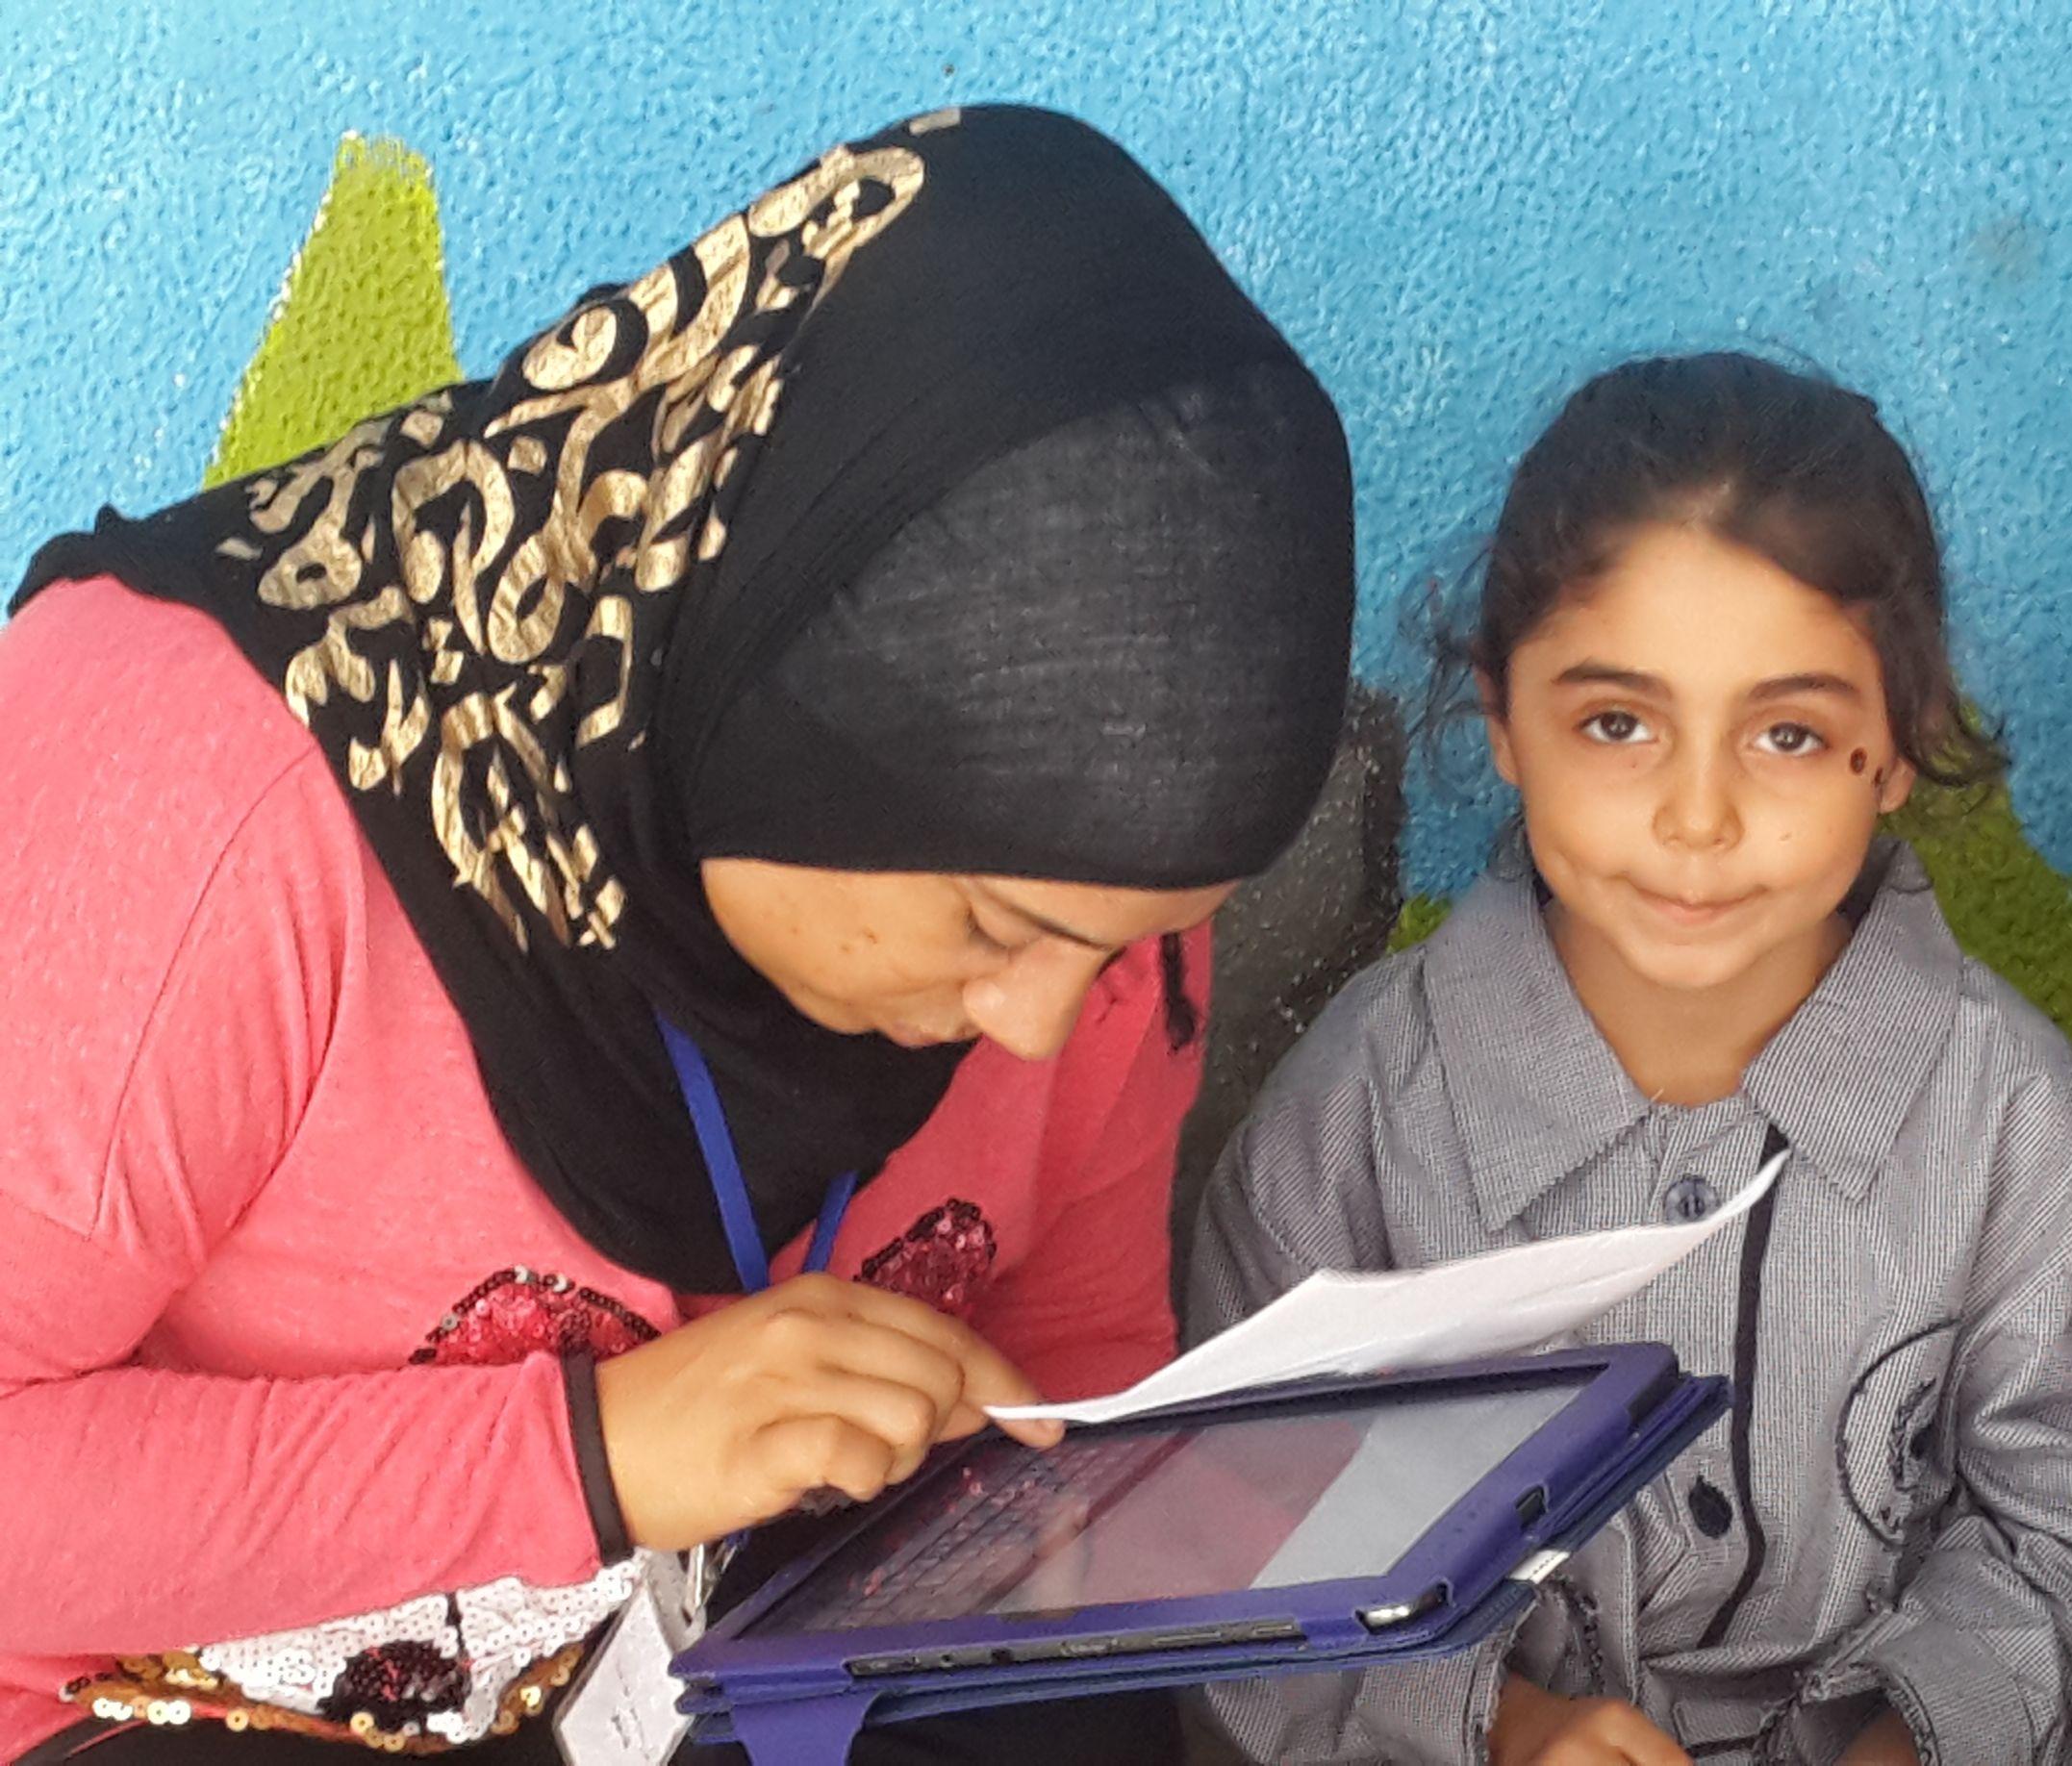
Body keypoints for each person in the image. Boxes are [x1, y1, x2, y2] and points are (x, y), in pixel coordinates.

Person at [0, 106, 1354, 1763]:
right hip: (195, 1706)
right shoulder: (198, 783)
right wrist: (593, 1456)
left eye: (1140, 945)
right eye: (1000, 924)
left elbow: (1065, 1378)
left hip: (715, 1677)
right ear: (770, 720)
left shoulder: (1102, 916)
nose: (1046, 1032)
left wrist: (1092, 1536)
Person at [1187, 352, 2072, 1765]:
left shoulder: (2014, 1126)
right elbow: (1235, 1539)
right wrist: (1502, 1730)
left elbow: (2070, 1523)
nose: (1697, 817)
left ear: (1898, 746)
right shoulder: (1354, 1127)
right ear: (1503, 719)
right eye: (1617, 724)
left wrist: (1910, 1741)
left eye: (1788, 733)